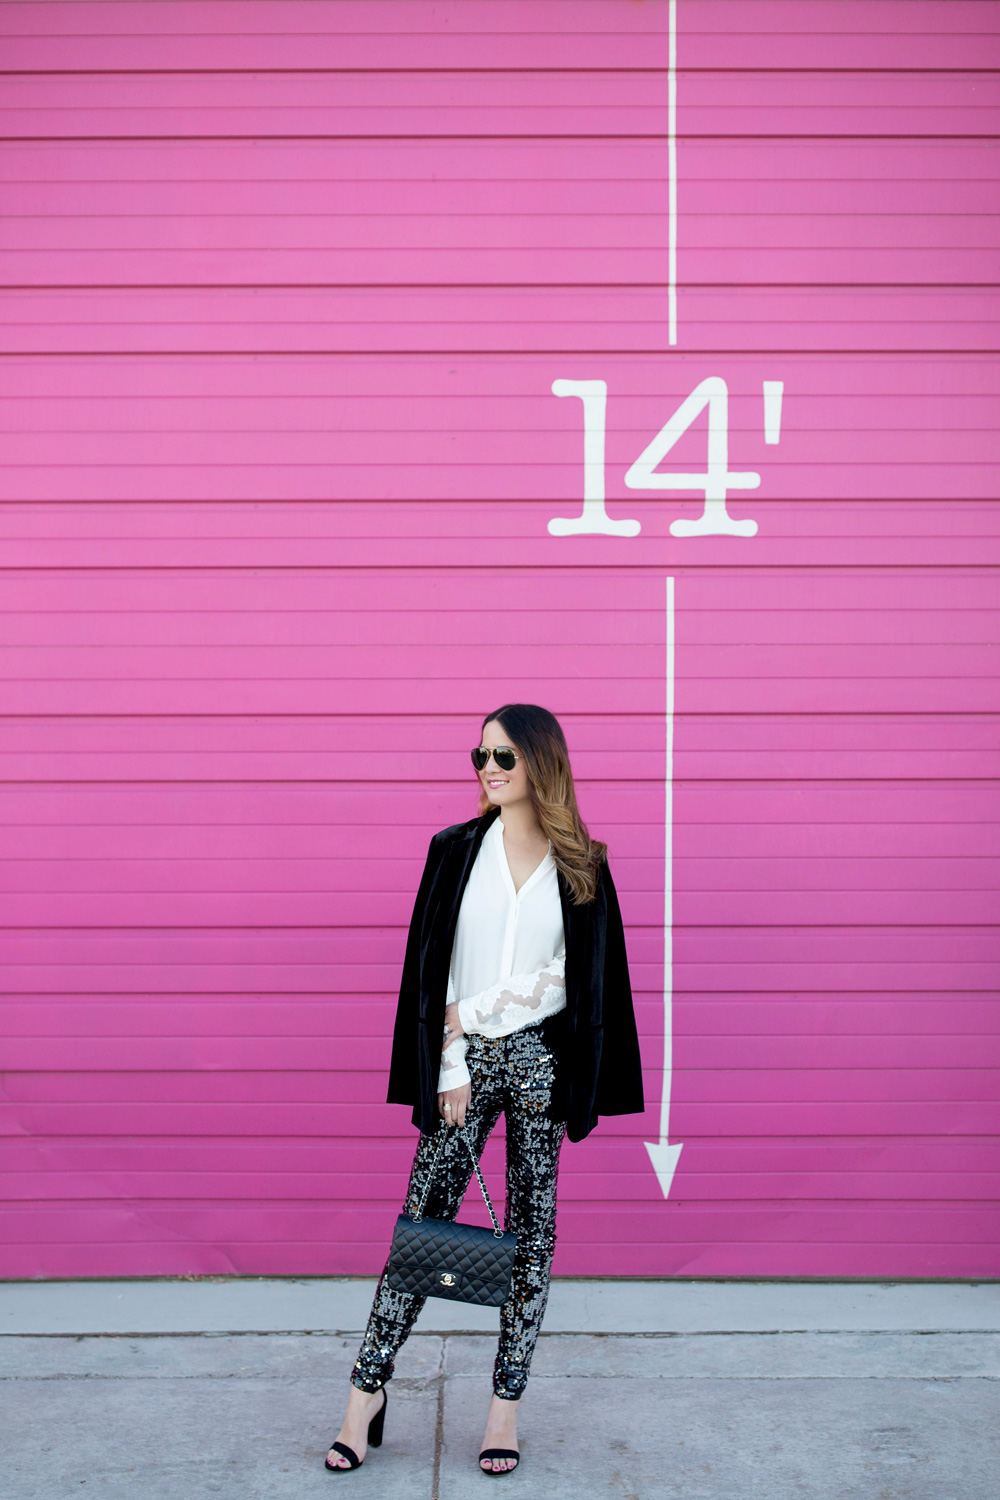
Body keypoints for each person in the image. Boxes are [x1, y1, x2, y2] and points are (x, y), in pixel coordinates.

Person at [325, 703, 644, 1476]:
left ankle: (504, 1409)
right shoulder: (454, 851)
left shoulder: (584, 864)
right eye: (480, 757)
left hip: (537, 1066)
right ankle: (364, 1398)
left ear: (541, 761)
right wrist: (454, 1053)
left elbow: (573, 983)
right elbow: (434, 971)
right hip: (458, 1065)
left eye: (503, 756)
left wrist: (475, 1011)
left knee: (532, 1242)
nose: (488, 769)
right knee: (420, 1227)